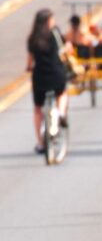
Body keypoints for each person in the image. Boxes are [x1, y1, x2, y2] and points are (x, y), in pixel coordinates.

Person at [26, 9, 70, 154]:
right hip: (56, 74)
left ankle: (40, 142)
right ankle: (61, 114)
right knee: (62, 93)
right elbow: (64, 49)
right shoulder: (55, 34)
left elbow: (30, 62)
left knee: (38, 109)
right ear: (47, 21)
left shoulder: (32, 38)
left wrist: (28, 68)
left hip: (39, 77)